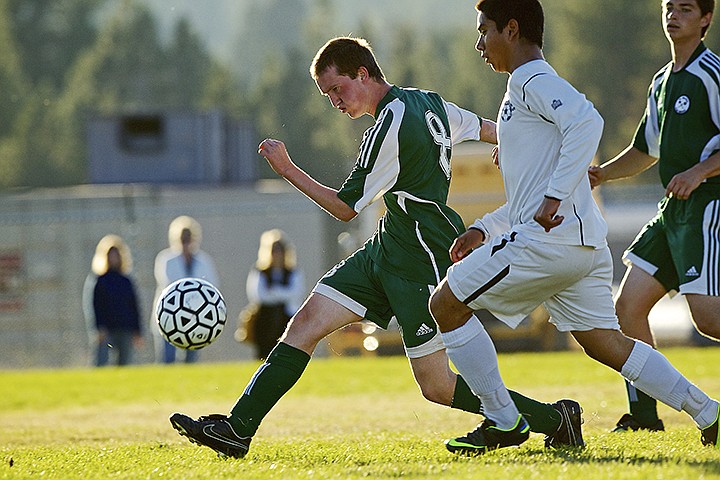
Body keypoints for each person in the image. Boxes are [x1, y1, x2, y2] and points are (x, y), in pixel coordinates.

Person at [169, 36, 584, 459]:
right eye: (327, 94)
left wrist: (287, 168)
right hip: (388, 246)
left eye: (336, 89)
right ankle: (237, 429)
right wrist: (510, 145)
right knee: (305, 324)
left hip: (422, 256)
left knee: (437, 386)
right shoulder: (427, 102)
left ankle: (554, 419)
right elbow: (482, 127)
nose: (334, 100)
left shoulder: (388, 126)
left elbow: (344, 208)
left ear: (362, 73)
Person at [428, 0, 720, 455]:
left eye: (484, 31)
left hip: (551, 242)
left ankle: (504, 421)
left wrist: (554, 197)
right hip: (580, 244)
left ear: (511, 29)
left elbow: (588, 121)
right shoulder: (520, 91)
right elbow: (532, 192)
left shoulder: (533, 79)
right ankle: (709, 412)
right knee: (604, 342)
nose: (478, 43)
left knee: (445, 303)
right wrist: (485, 228)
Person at [588, 0, 720, 432]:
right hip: (670, 215)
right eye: (668, 6)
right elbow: (646, 150)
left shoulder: (711, 75)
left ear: (706, 19)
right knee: (627, 307)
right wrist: (602, 175)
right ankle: (645, 416)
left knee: (707, 320)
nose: (673, 15)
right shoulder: (661, 81)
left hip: (706, 208)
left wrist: (699, 172)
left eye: (685, 8)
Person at [153, 215, 219, 364]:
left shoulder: (204, 260)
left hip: (197, 318)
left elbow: (212, 285)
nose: (186, 242)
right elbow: (172, 284)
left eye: (189, 238)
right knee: (167, 359)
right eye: (183, 238)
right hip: (170, 316)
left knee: (191, 360)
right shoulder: (166, 259)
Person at [83, 234, 142, 367]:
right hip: (106, 329)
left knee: (124, 364)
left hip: (124, 327)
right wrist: (98, 328)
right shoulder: (99, 281)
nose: (113, 258)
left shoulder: (126, 281)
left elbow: (134, 306)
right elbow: (94, 306)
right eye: (110, 255)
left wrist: (137, 330)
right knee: (101, 362)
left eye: (116, 255)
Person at [245, 229, 305, 360]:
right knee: (263, 354)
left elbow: (296, 294)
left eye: (280, 250)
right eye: (274, 250)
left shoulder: (293, 272)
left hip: (286, 318)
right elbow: (258, 296)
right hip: (264, 319)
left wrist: (274, 292)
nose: (277, 254)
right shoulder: (259, 272)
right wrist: (283, 294)